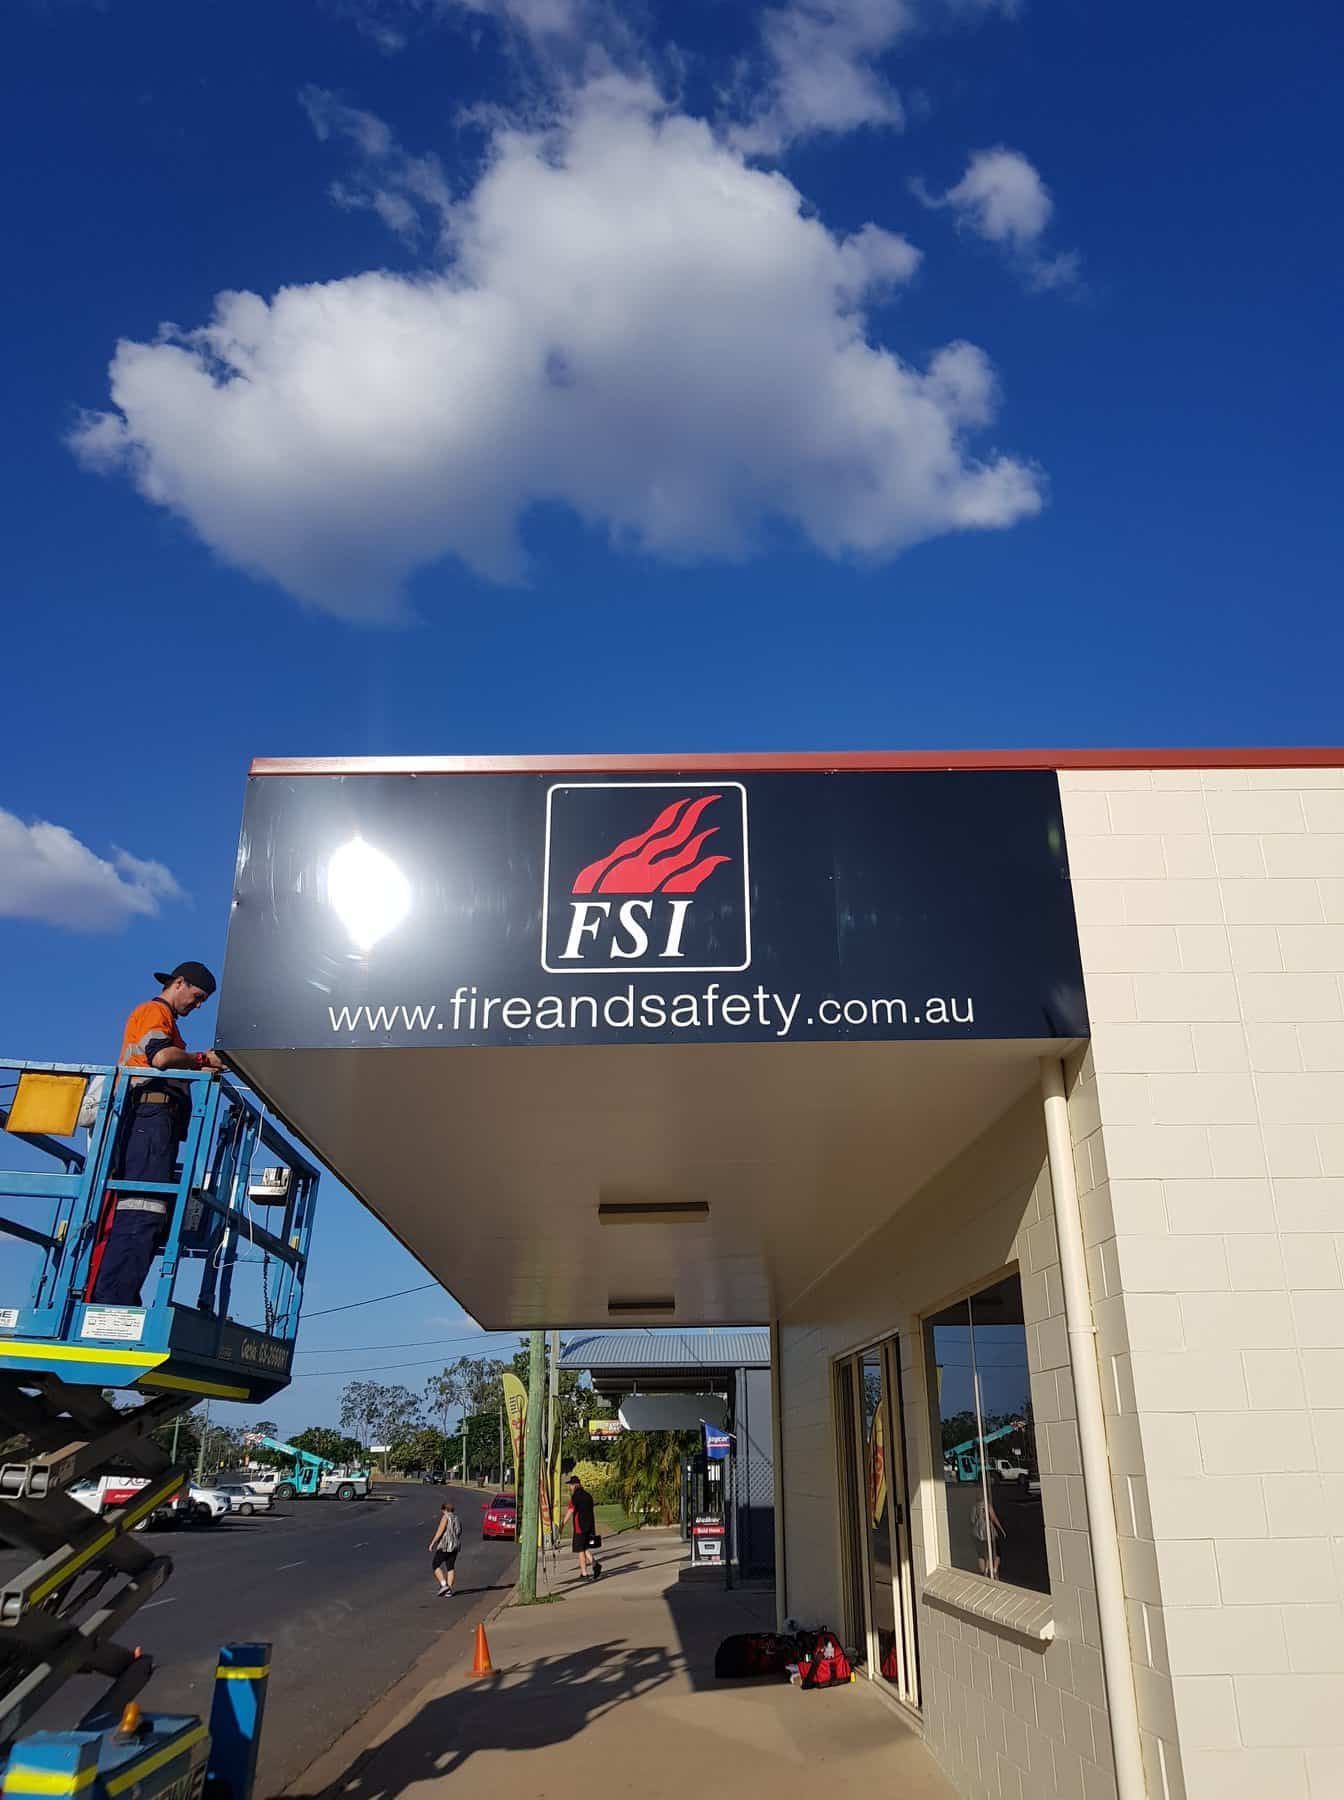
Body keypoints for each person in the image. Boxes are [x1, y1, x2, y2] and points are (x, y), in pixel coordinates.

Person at [90, 962, 226, 1306]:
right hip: (147, 1117)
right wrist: (200, 1059)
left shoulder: (165, 1022)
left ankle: (115, 1296)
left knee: (146, 1209)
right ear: (178, 983)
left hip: (152, 1121)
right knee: (143, 1208)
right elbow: (162, 1057)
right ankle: (114, 1301)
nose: (197, 1006)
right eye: (197, 997)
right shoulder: (154, 1012)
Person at [565, 1474, 601, 1581]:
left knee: (580, 1550)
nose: (570, 1487)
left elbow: (570, 1511)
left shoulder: (575, 1496)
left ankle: (584, 1573)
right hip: (589, 1526)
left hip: (579, 1526)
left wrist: (562, 1524)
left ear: (575, 1485)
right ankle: (595, 1565)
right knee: (585, 1548)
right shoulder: (588, 1496)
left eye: (571, 1485)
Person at [970, 1489, 1005, 1579]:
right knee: (996, 1552)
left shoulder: (974, 1506)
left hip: (978, 1533)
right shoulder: (987, 1505)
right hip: (989, 1532)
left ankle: (984, 1570)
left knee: (982, 1552)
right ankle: (993, 1569)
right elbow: (993, 1518)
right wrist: (1001, 1529)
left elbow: (972, 1520)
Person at [430, 1501, 463, 1596]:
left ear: (444, 1510)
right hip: (455, 1545)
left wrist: (433, 1542)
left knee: (435, 1564)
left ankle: (444, 1585)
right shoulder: (457, 1518)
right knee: (450, 1567)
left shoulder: (446, 1517)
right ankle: (449, 1591)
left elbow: (440, 1531)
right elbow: (459, 1532)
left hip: (446, 1545)